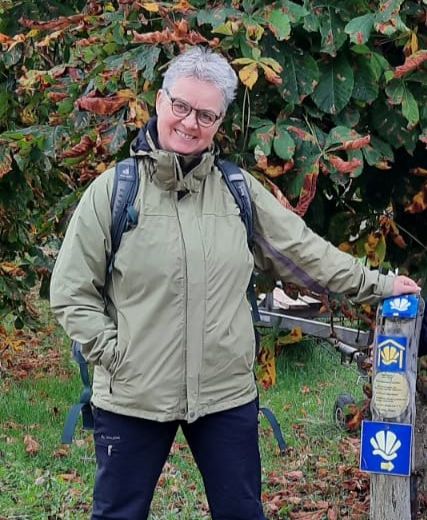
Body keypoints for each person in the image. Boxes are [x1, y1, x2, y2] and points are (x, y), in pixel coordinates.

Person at [50, 46, 420, 519]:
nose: (190, 123)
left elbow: (306, 252)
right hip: (133, 394)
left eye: (206, 115)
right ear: (160, 101)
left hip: (224, 394)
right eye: (181, 106)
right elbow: (71, 292)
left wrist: (379, 284)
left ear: (219, 122)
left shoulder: (236, 191)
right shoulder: (113, 192)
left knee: (241, 512)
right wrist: (114, 353)